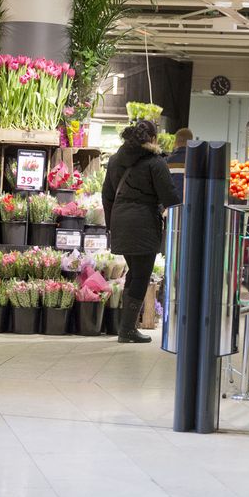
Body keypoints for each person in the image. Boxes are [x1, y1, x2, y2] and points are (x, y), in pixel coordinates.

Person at [103, 120, 181, 344]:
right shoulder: (155, 163)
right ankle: (126, 330)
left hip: (121, 221)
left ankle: (126, 327)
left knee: (134, 274)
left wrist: (112, 225)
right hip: (143, 224)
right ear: (153, 139)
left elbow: (107, 195)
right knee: (140, 275)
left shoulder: (116, 160)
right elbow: (170, 198)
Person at [166, 127, 194, 203]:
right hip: (190, 206)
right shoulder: (195, 162)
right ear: (191, 142)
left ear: (175, 142)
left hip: (171, 206)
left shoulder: (167, 162)